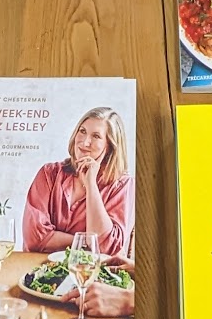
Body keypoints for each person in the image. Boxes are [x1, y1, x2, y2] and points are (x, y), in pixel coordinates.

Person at [21, 106, 134, 257]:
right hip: (40, 267)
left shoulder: (122, 185)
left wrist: (91, 185)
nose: (85, 142)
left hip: (91, 271)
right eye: (82, 131)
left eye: (96, 136)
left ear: (110, 146)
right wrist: (86, 242)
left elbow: (106, 248)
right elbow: (34, 238)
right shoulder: (49, 174)